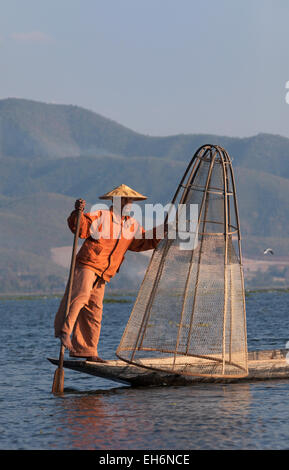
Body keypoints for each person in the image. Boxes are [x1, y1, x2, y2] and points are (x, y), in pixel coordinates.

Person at [54, 184, 163, 363]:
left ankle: (86, 350)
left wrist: (162, 230)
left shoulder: (131, 224)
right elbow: (81, 228)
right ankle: (65, 331)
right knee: (80, 296)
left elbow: (142, 243)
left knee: (95, 310)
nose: (128, 203)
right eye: (125, 200)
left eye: (130, 201)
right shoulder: (102, 216)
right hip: (88, 264)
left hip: (105, 272)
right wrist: (77, 214)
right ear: (116, 201)